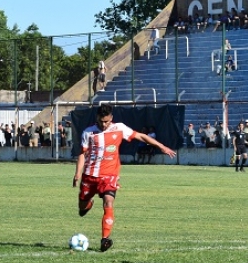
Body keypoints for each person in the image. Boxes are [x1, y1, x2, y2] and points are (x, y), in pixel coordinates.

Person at [74, 103, 176, 252]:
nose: (104, 124)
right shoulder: (88, 132)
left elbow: (140, 136)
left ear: (111, 118)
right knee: (82, 208)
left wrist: (161, 146)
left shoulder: (119, 128)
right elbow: (82, 153)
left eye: (107, 121)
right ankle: (88, 205)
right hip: (90, 176)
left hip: (109, 175)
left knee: (108, 202)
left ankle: (105, 239)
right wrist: (78, 173)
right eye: (102, 121)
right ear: (97, 117)